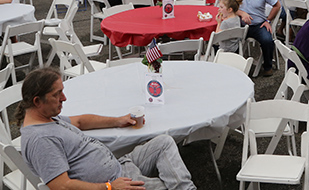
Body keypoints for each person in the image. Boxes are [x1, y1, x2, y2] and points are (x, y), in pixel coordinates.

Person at [18, 67, 196, 190]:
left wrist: (118, 120)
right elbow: (61, 186)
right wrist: (109, 187)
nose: (64, 98)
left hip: (121, 165)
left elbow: (80, 121)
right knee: (169, 187)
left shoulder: (47, 118)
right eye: (57, 94)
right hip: (116, 184)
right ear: (37, 101)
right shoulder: (41, 141)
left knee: (164, 141)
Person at [229, 0, 279, 76]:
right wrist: (241, 13)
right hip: (239, 24)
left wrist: (268, 20)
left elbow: (277, 5)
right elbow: (228, 7)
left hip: (258, 25)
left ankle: (268, 66)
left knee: (267, 41)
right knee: (228, 38)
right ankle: (233, 66)